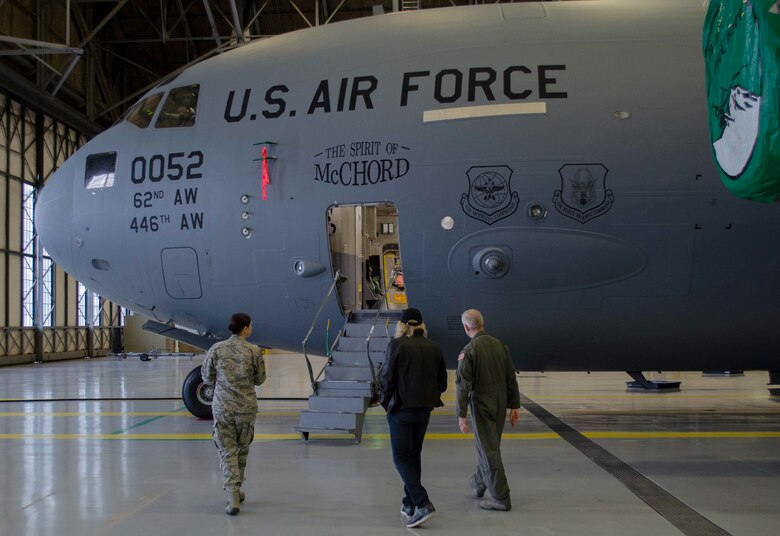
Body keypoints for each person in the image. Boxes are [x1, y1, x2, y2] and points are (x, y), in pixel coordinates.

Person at [380, 308, 448, 528]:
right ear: (421, 325)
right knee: (414, 456)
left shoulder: (396, 345)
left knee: (400, 458)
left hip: (401, 409)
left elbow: (387, 378)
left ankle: (422, 502)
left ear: (402, 325)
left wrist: (385, 403)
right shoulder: (434, 347)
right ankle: (408, 502)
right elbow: (442, 382)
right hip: (424, 410)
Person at [456, 309, 521, 511]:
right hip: (500, 403)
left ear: (466, 327)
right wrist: (514, 406)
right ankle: (479, 483)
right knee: (490, 445)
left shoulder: (469, 350)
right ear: (482, 323)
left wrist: (461, 414)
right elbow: (511, 377)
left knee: (487, 450)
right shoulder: (500, 346)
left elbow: (462, 385)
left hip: (482, 404)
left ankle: (501, 497)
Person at [201, 312, 266, 515]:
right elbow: (260, 379)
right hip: (246, 409)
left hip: (223, 408)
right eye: (251, 325)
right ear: (245, 328)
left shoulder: (217, 349)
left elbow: (207, 377)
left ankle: (233, 494)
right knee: (242, 450)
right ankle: (236, 489)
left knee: (227, 451)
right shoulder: (254, 351)